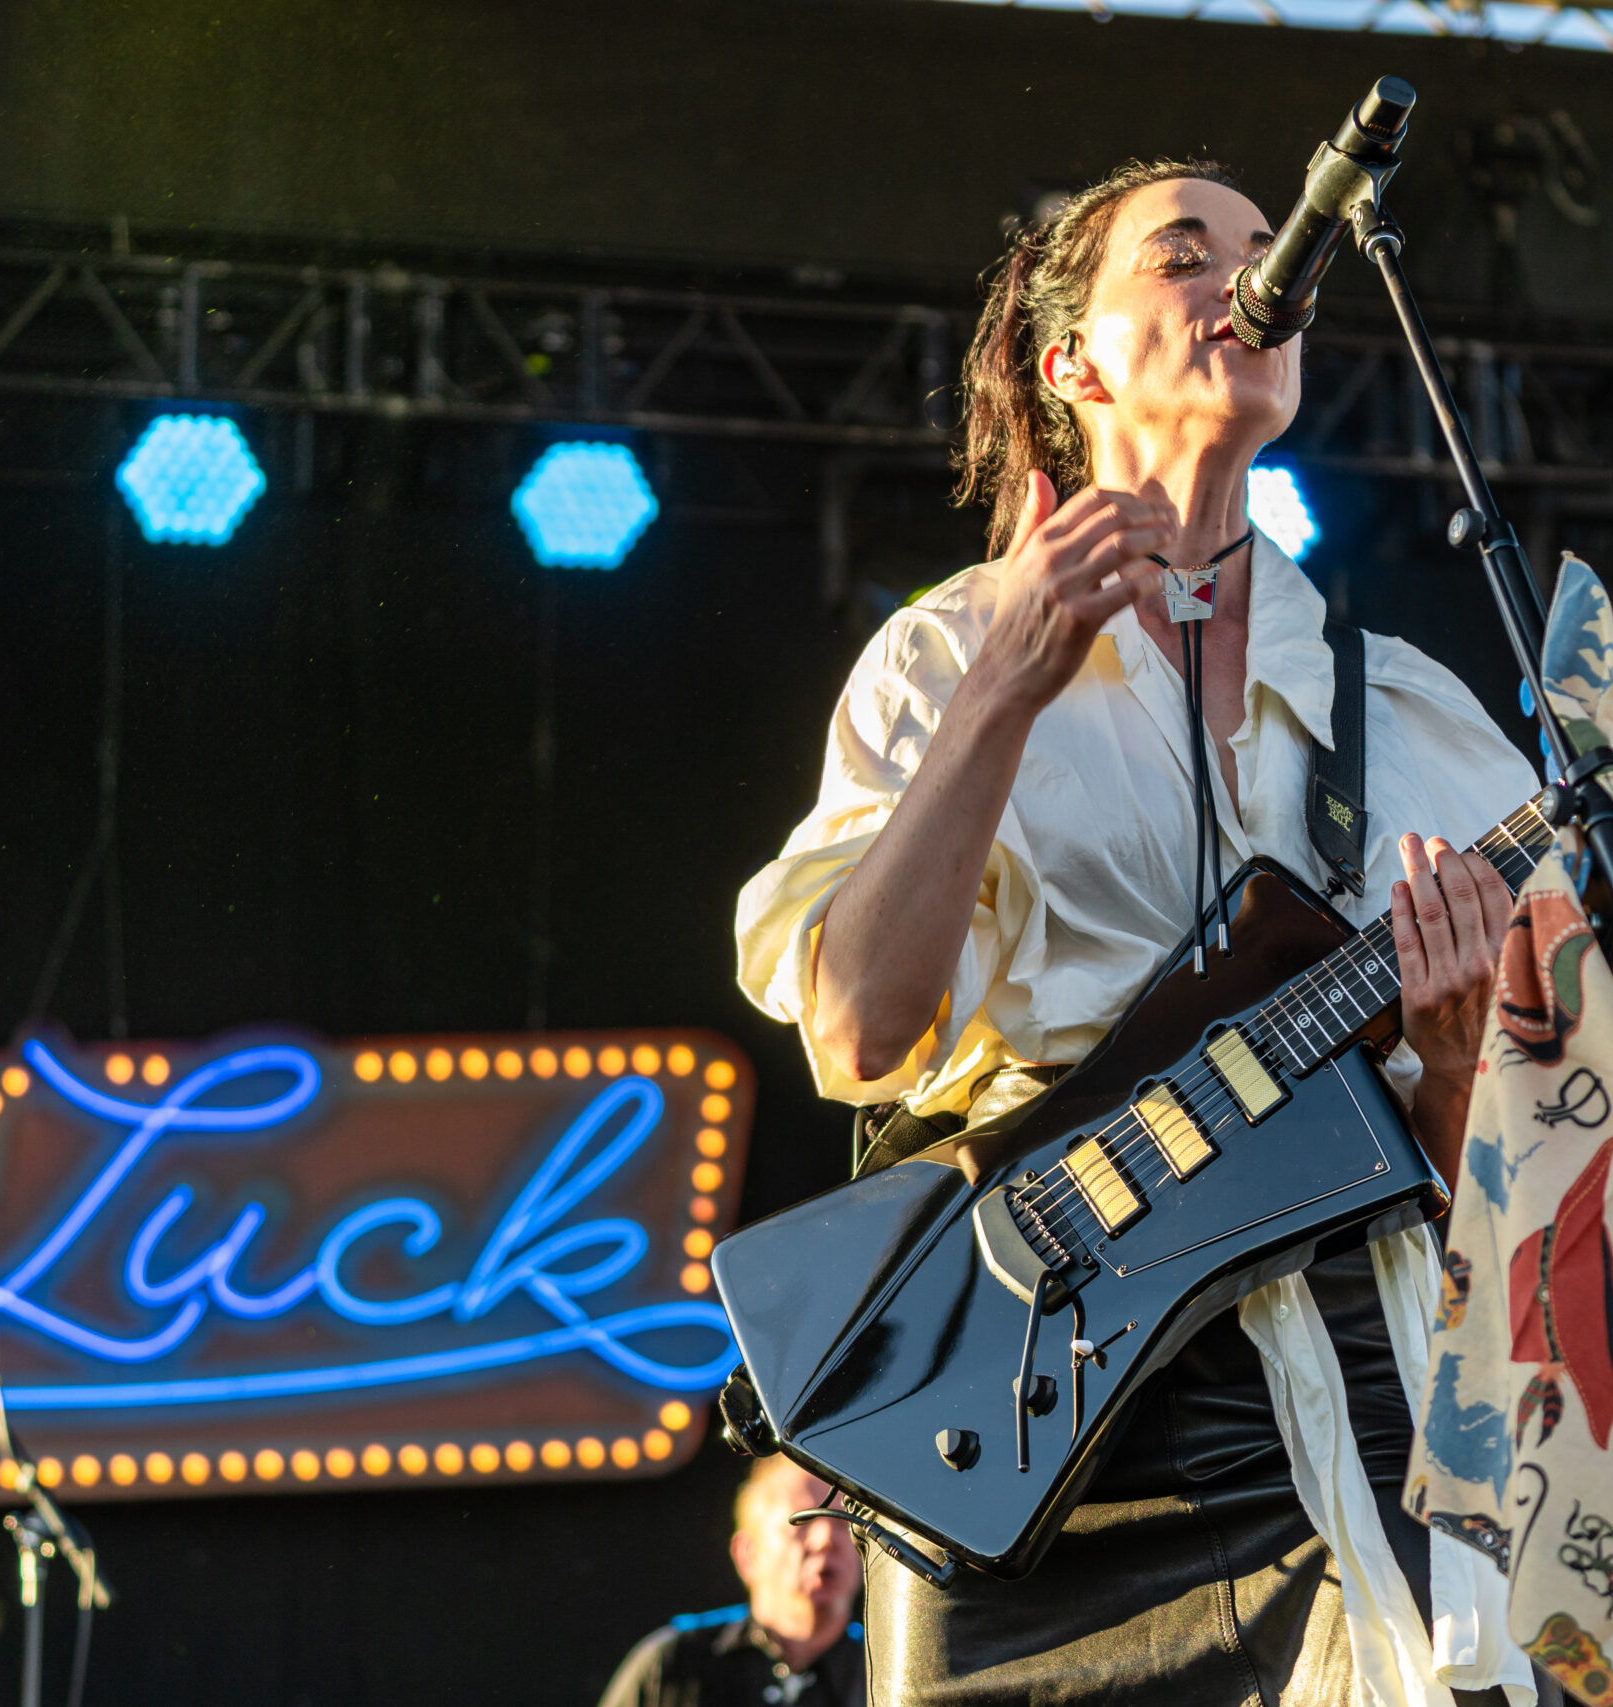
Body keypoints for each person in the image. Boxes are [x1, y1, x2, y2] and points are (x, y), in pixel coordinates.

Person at [736, 159, 1545, 1705]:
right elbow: (858, 1029)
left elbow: (1517, 1177)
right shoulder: (942, 655)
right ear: (1073, 362)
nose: (1248, 276)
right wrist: (1006, 687)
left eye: (1266, 248)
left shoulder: (1401, 709)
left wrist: (1452, 1070)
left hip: (1350, 1387)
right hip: (1024, 1401)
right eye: (1184, 252)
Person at [597, 1456, 863, 1707]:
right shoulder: (675, 1664)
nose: (825, 1539)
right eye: (803, 1521)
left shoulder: (882, 1673)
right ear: (748, 1554)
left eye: (843, 1523)